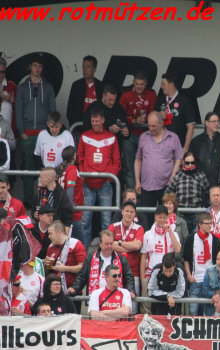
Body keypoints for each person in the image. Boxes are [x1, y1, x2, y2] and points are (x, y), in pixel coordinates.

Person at [16, 54, 56, 202]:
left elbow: (53, 111)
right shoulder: (22, 88)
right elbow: (18, 111)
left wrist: (49, 131)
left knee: (44, 169)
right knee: (28, 169)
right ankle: (28, 201)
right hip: (27, 134)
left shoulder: (48, 87)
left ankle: (43, 202)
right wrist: (21, 131)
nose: (37, 69)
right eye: (34, 65)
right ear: (30, 67)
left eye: (40, 66)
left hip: (43, 134)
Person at [77, 108, 121, 245]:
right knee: (85, 220)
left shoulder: (112, 138)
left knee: (106, 222)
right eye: (93, 121)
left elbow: (116, 162)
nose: (95, 123)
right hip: (87, 184)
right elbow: (80, 158)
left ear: (103, 120)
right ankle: (83, 252)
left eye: (97, 121)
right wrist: (84, 176)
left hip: (105, 185)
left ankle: (106, 250)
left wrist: (108, 177)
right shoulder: (84, 136)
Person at [135, 111, 182, 227]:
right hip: (146, 184)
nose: (150, 128)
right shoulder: (143, 137)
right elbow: (138, 159)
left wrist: (173, 177)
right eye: (149, 125)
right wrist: (137, 181)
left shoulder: (173, 137)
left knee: (166, 217)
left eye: (154, 126)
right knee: (146, 218)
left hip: (166, 185)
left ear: (161, 124)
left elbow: (178, 159)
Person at [119, 71, 157, 189]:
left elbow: (154, 114)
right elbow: (120, 116)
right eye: (137, 84)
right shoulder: (126, 96)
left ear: (146, 84)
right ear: (133, 83)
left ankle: (144, 194)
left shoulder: (151, 95)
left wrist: (146, 119)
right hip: (130, 136)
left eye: (142, 84)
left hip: (147, 135)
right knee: (129, 166)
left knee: (147, 166)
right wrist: (135, 120)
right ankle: (132, 195)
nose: (139, 86)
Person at [69, 229, 135, 297]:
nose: (109, 246)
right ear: (100, 244)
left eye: (111, 243)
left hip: (116, 299)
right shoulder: (90, 258)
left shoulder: (121, 258)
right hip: (96, 299)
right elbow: (82, 276)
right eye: (106, 244)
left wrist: (130, 290)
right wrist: (75, 288)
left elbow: (128, 277)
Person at [140, 205, 181, 302]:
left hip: (168, 274)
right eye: (160, 217)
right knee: (147, 303)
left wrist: (170, 232)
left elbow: (178, 250)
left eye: (164, 217)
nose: (162, 220)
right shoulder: (148, 234)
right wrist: (142, 278)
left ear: (167, 217)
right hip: (150, 274)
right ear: (155, 217)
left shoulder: (173, 233)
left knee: (165, 303)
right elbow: (144, 256)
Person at [183, 213, 220, 315]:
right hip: (195, 280)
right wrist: (188, 275)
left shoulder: (215, 240)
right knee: (193, 311)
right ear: (200, 224)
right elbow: (186, 259)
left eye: (211, 223)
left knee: (209, 313)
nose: (210, 226)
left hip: (210, 282)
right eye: (207, 223)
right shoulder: (191, 239)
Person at [165, 151, 209, 232]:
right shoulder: (178, 176)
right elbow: (168, 193)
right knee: (181, 236)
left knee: (195, 236)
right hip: (181, 212)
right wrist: (172, 205)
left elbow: (208, 192)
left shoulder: (201, 175)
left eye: (192, 163)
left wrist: (204, 205)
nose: (190, 165)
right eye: (187, 163)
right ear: (183, 162)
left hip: (196, 212)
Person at [109, 201, 144, 299]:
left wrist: (120, 243)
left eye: (131, 212)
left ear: (135, 214)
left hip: (133, 273)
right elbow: (110, 245)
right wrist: (130, 246)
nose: (129, 214)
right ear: (122, 212)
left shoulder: (139, 228)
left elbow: (137, 246)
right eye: (127, 211)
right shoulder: (113, 226)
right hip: (115, 272)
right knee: (115, 301)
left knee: (132, 303)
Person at [155, 71, 197, 152]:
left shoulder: (185, 101)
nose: (161, 86)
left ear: (171, 84)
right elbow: (153, 123)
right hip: (161, 146)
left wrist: (185, 148)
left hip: (178, 146)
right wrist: (158, 116)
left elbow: (190, 126)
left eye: (163, 84)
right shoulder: (160, 100)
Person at [45, 220, 87, 293]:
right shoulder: (50, 247)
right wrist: (47, 265)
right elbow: (49, 269)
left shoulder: (76, 244)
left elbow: (82, 268)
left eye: (50, 233)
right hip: (55, 290)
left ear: (59, 232)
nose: (49, 237)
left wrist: (64, 268)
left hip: (71, 289)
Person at [190, 111, 220, 186]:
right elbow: (191, 163)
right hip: (200, 183)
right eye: (214, 121)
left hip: (218, 183)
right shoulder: (196, 141)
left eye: (218, 121)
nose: (217, 124)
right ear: (206, 123)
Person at [67, 55, 103, 126]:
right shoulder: (76, 85)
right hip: (79, 125)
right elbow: (70, 109)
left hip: (96, 126)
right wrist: (74, 123)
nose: (84, 70)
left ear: (94, 69)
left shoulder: (101, 86)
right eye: (83, 67)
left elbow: (104, 108)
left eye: (88, 67)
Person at [57, 146, 84, 239]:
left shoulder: (61, 169)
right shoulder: (72, 169)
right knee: (79, 242)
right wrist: (70, 207)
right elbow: (70, 188)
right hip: (72, 213)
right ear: (74, 156)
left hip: (62, 209)